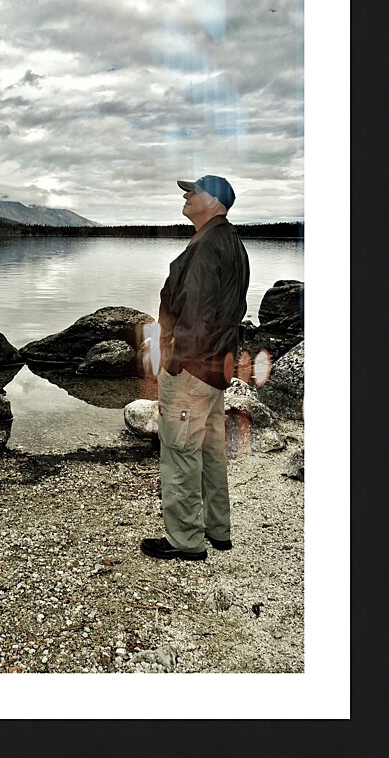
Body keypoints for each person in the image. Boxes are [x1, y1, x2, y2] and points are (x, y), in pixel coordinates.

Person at [141, 175, 250, 561]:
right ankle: (217, 530)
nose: (186, 196)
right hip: (214, 369)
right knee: (210, 450)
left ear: (215, 203)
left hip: (192, 369)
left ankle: (185, 540)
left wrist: (172, 362)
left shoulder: (206, 248)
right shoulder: (231, 242)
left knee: (180, 451)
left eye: (194, 191)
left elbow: (197, 320)